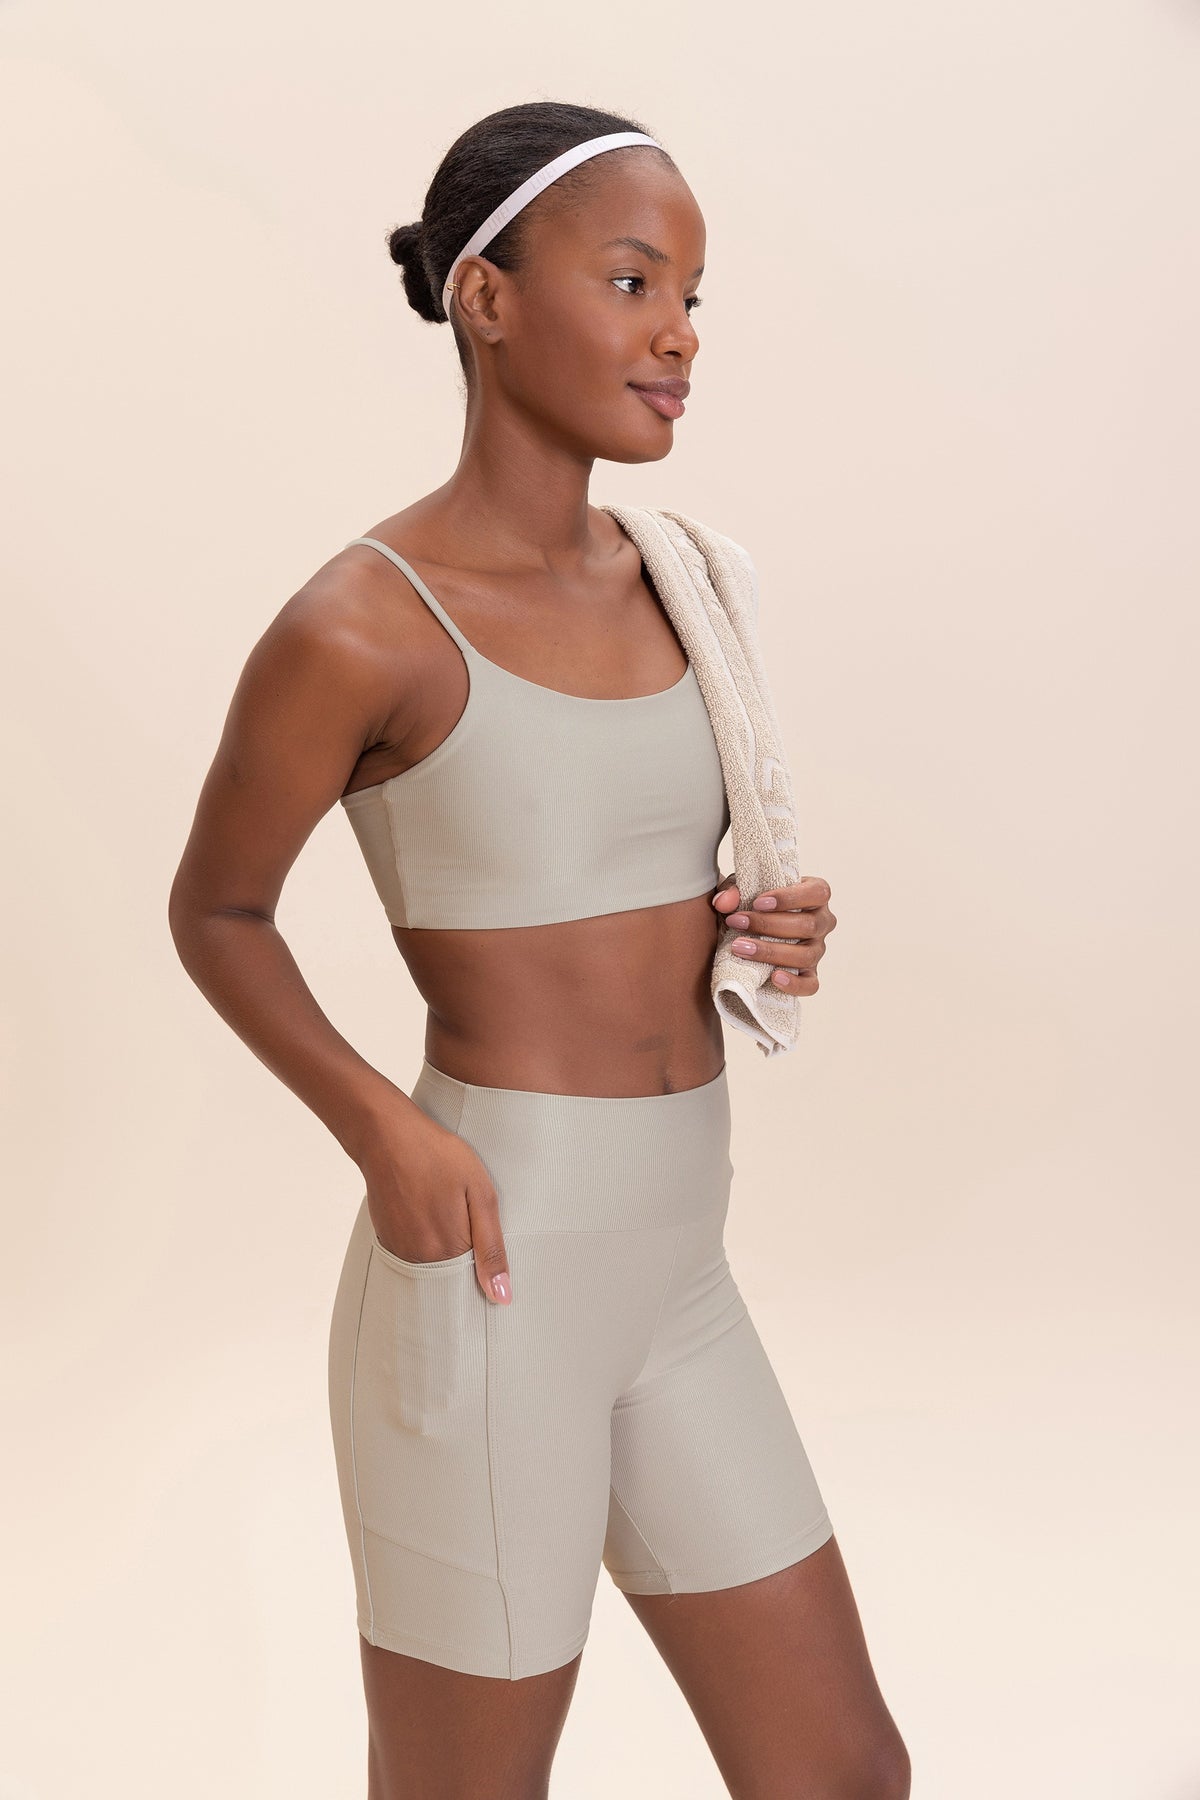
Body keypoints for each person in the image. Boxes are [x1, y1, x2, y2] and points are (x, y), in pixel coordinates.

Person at [168, 98, 910, 1800]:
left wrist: (769, 927)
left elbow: (656, 873)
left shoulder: (683, 580)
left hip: (681, 1269)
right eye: (634, 282)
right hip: (494, 1274)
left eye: (694, 297)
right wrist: (386, 1129)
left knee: (843, 1772)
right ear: (486, 298)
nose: (680, 335)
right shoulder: (362, 624)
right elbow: (216, 910)